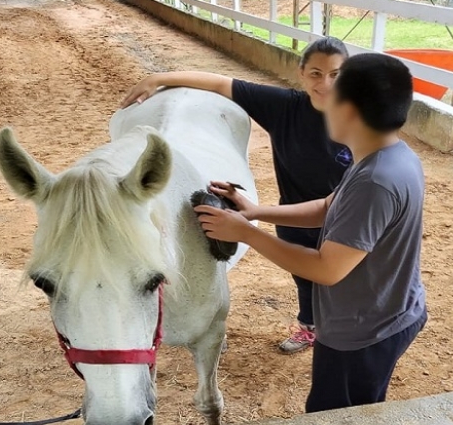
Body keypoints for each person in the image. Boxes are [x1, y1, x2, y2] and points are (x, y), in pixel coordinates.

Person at [194, 53, 427, 413]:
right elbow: (325, 208)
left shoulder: (376, 181)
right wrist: (255, 212)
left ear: (347, 111)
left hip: (362, 333)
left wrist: (247, 234)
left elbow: (325, 269)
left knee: (335, 414)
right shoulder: (383, 155)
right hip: (385, 312)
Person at [121, 37, 351, 354]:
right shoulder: (284, 107)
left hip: (348, 217)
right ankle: (310, 326)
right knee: (305, 275)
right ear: (301, 72)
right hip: (293, 217)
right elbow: (219, 84)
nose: (324, 83)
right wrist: (158, 78)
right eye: (315, 73)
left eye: (335, 74)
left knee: (343, 276)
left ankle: (344, 330)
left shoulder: (360, 118)